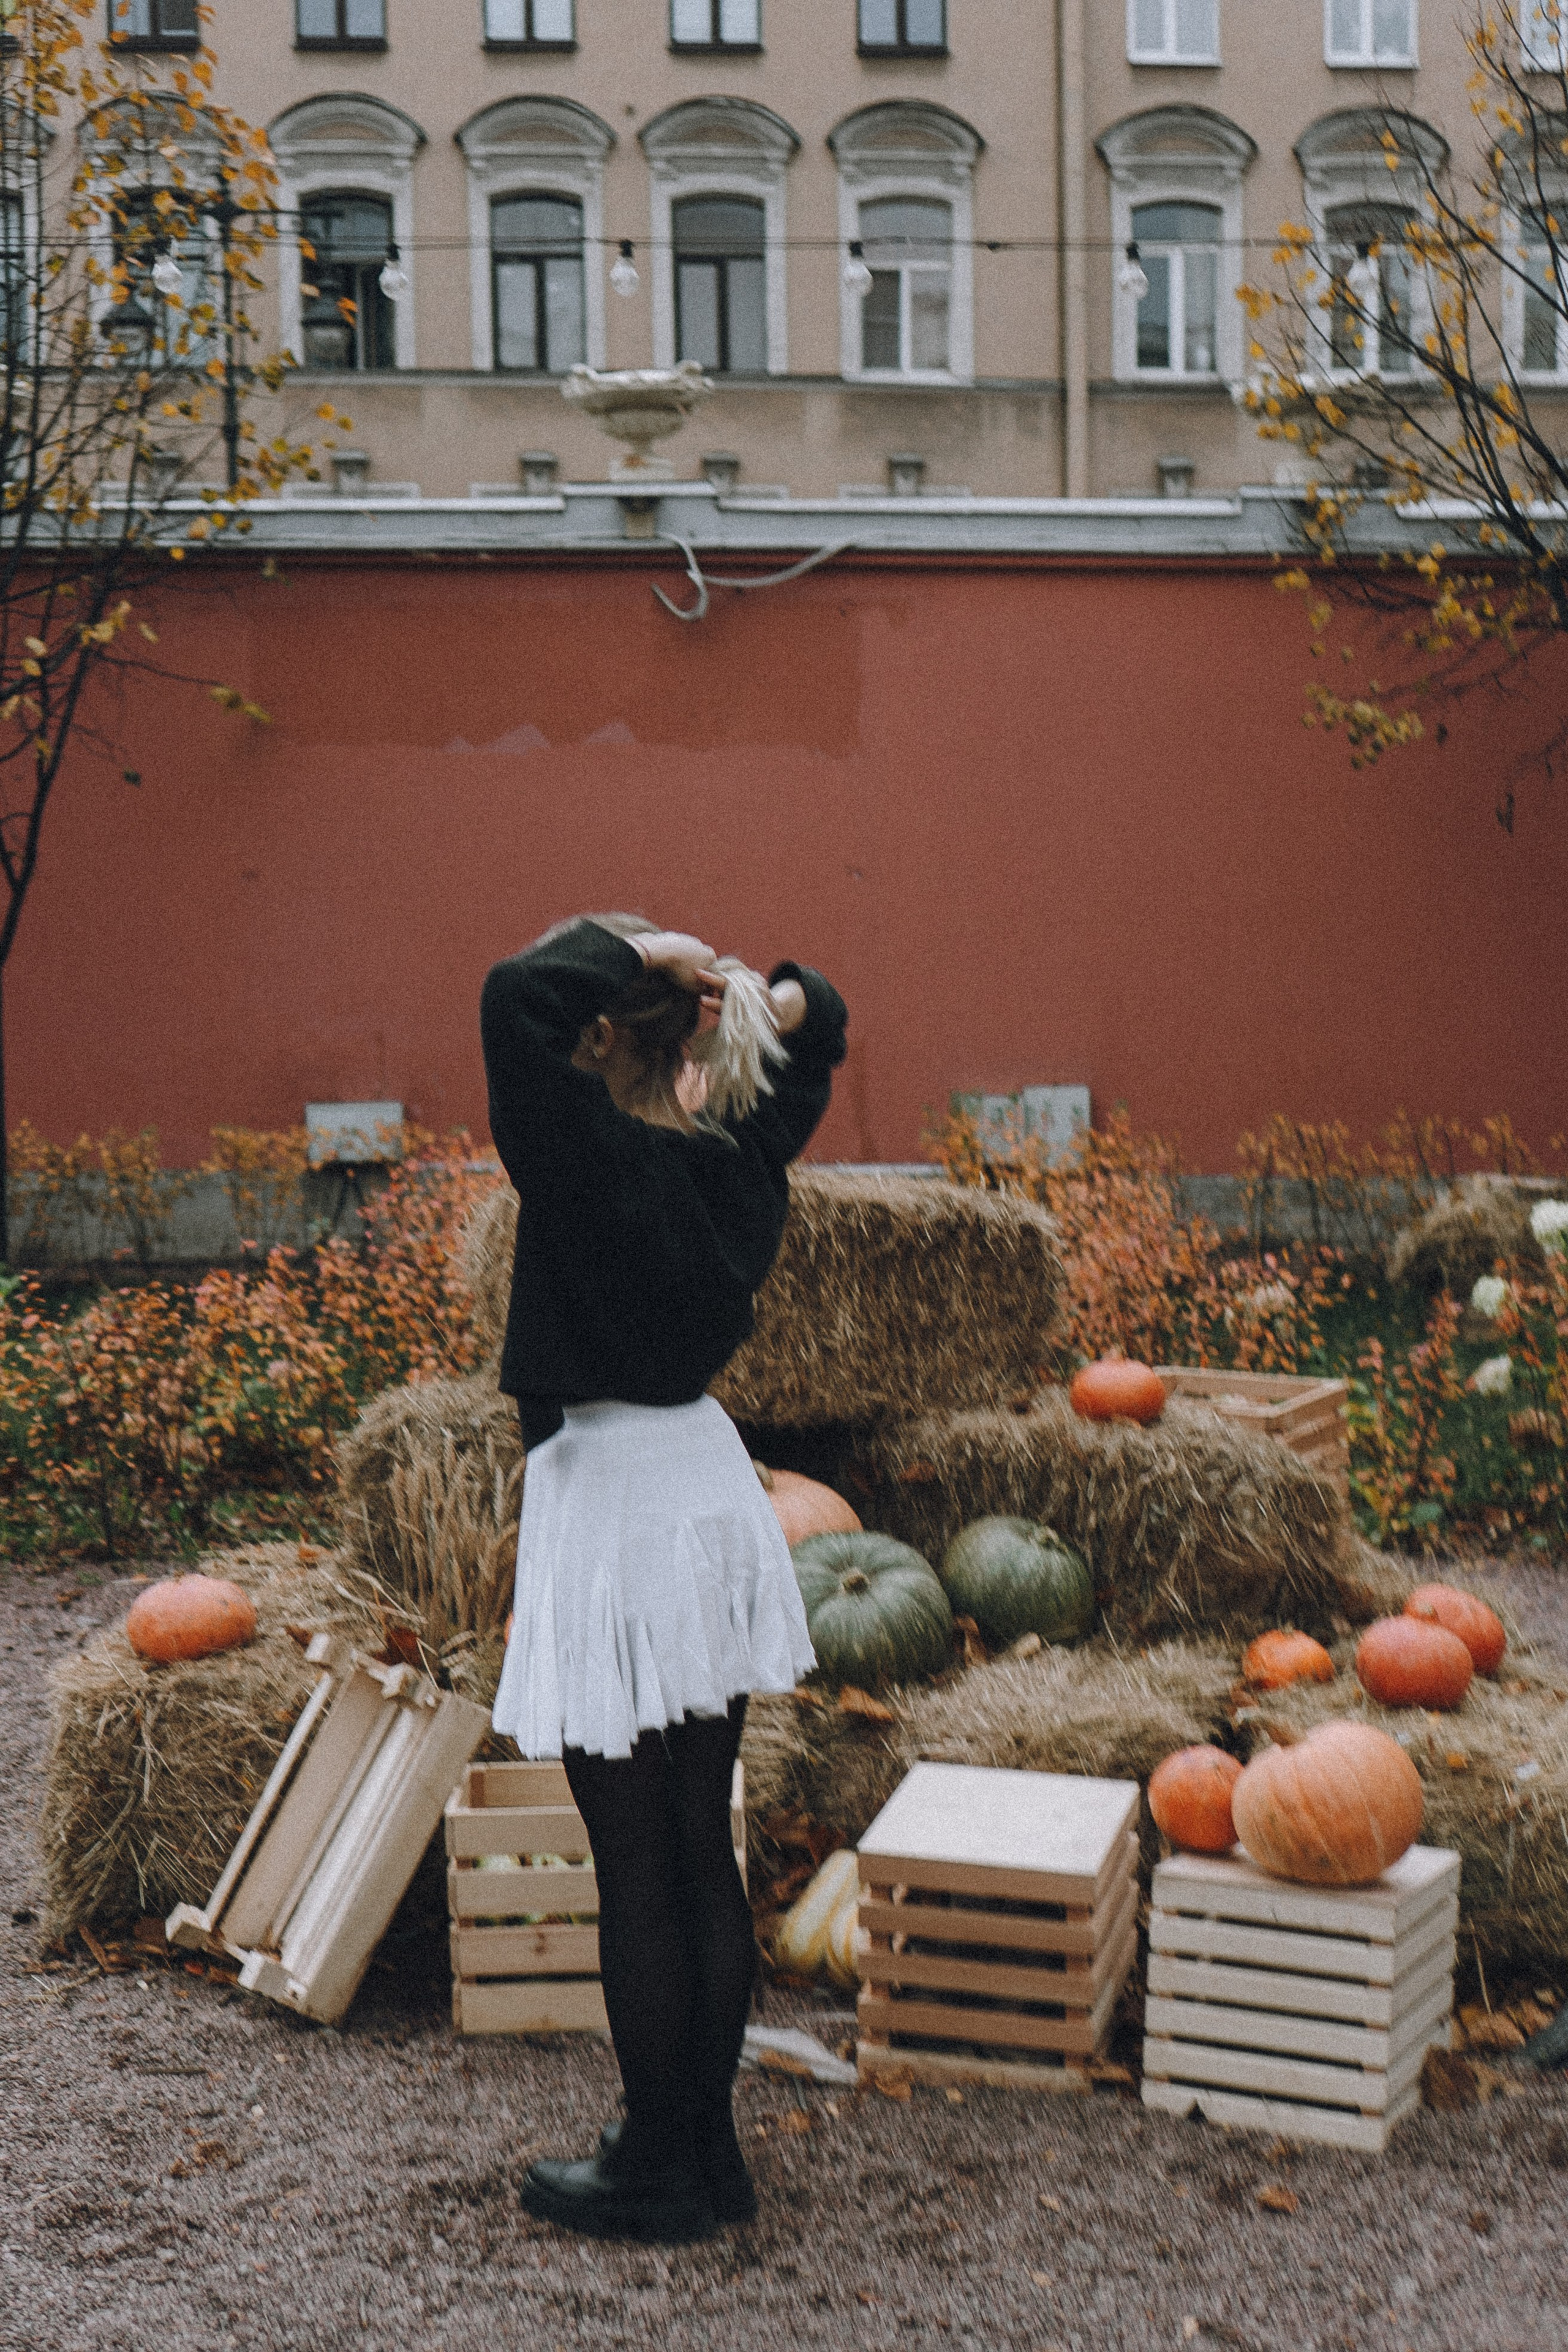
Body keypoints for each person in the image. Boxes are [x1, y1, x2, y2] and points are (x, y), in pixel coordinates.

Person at [480, 912, 848, 2243]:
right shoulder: (737, 1160)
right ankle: (705, 2154)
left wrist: (639, 953)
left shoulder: (579, 1154)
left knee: (634, 1860)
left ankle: (662, 2167)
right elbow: (823, 1028)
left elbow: (512, 990)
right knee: (697, 1841)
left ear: (601, 1038)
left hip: (615, 1499)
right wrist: (767, 998)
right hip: (702, 1486)